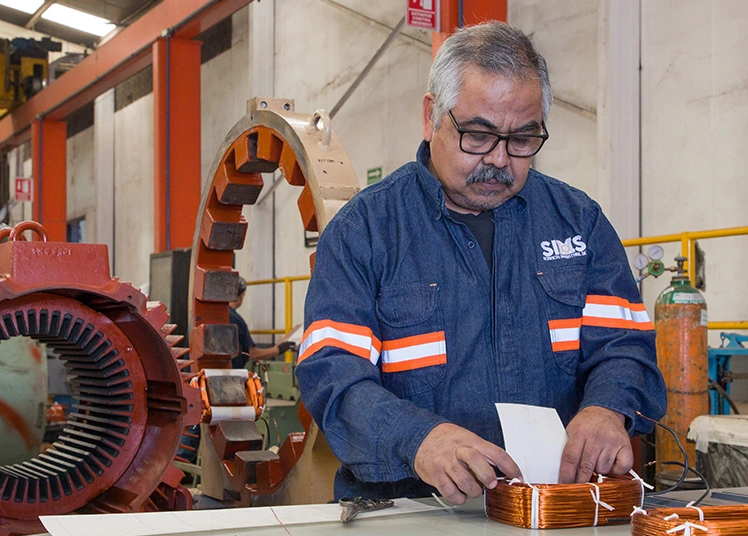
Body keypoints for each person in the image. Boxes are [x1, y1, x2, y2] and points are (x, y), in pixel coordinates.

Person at [295, 22, 667, 504]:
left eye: (522, 139)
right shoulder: (364, 232)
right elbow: (333, 377)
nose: (498, 159)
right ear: (432, 117)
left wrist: (605, 409)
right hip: (408, 517)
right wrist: (419, 439)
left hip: (556, 510)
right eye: (478, 135)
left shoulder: (579, 223)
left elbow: (624, 346)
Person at [228, 276, 295, 368]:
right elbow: (251, 353)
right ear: (242, 295)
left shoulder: (216, 315)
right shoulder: (236, 320)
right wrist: (277, 349)